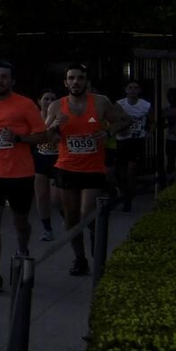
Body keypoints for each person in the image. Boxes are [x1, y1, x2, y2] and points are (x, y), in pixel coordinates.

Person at [44, 65, 130, 276]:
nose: (76, 82)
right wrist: (54, 126)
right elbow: (45, 136)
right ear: (66, 83)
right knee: (72, 218)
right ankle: (80, 258)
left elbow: (125, 120)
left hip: (93, 168)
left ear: (86, 82)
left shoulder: (100, 102)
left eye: (80, 78)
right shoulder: (56, 106)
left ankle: (97, 250)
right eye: (71, 78)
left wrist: (108, 132)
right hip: (67, 167)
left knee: (87, 213)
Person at [0, 61, 48, 293]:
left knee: (20, 221)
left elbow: (42, 136)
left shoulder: (25, 105)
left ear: (12, 81)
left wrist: (18, 138)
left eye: (4, 77)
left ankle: (23, 250)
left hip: (20, 173)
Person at [114, 80, 152, 211]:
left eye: (136, 87)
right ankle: (122, 192)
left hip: (137, 141)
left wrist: (149, 132)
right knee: (120, 172)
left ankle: (128, 199)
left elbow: (153, 120)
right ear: (126, 90)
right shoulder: (119, 104)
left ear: (140, 90)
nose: (133, 90)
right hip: (122, 140)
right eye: (130, 87)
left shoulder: (146, 105)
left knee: (132, 171)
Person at [34, 89, 61, 241]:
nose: (49, 102)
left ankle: (66, 217)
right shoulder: (35, 117)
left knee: (56, 197)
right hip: (40, 157)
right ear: (39, 101)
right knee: (41, 195)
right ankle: (47, 229)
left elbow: (59, 138)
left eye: (53, 99)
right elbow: (36, 136)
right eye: (46, 99)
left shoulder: (61, 117)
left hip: (57, 158)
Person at [163, 86, 176, 183]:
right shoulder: (167, 109)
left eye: (173, 97)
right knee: (171, 162)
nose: (171, 99)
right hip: (172, 138)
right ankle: (171, 182)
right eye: (169, 96)